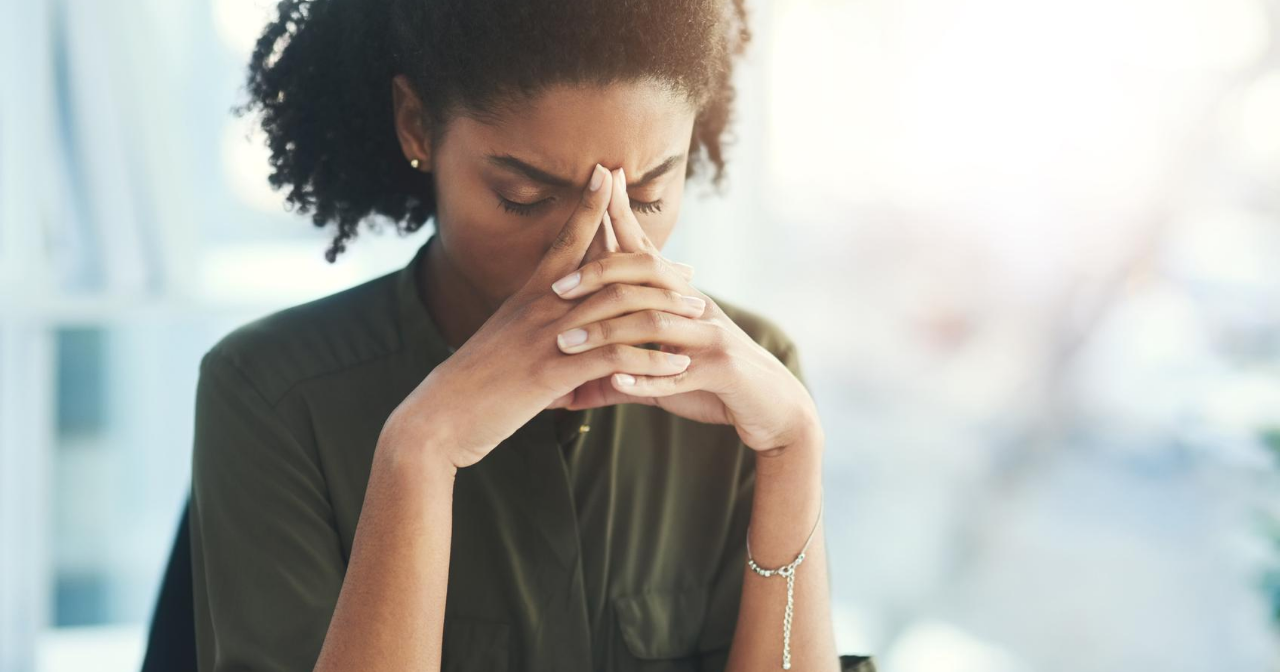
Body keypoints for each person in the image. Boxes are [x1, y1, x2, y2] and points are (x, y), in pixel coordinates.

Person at [188, 0, 877, 670]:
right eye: (525, 198)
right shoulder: (271, 394)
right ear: (417, 125)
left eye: (647, 196)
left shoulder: (747, 386)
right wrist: (418, 450)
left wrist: (793, 450)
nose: (598, 251)